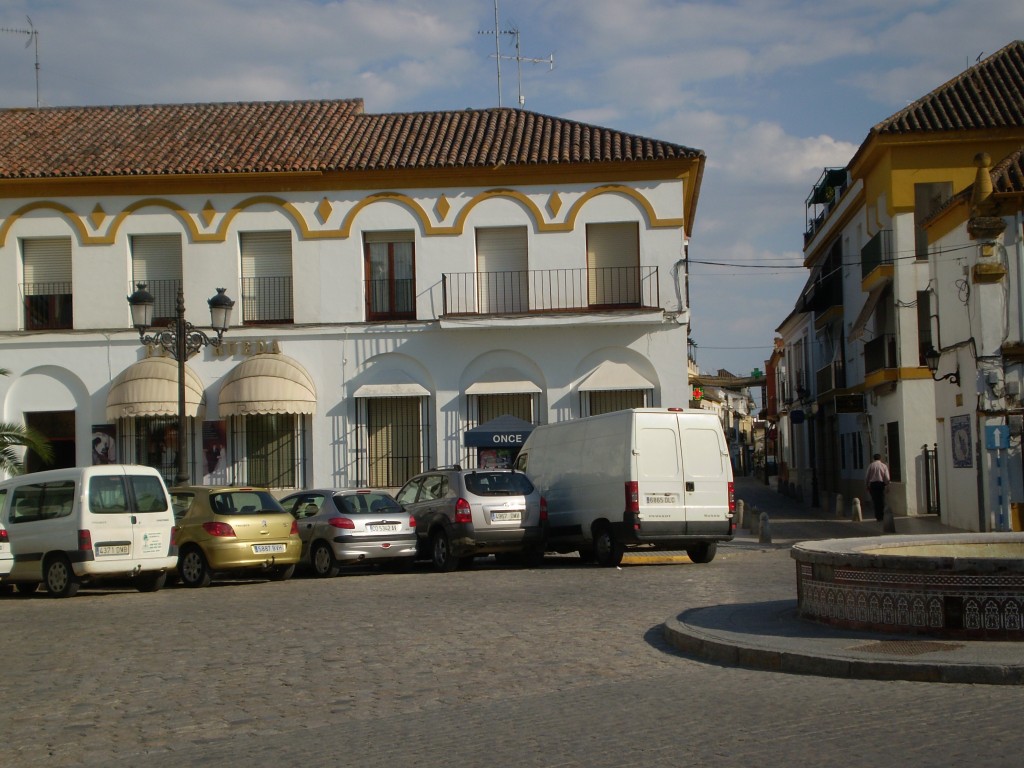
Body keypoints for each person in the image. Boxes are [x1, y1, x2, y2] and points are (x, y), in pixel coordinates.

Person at [865, 453, 891, 522]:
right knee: (881, 499)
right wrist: (887, 485)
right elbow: (887, 477)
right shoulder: (883, 466)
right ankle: (882, 515)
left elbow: (867, 476)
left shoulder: (871, 466)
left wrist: (867, 485)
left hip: (873, 485)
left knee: (875, 500)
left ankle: (878, 516)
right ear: (880, 458)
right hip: (881, 484)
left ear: (873, 458)